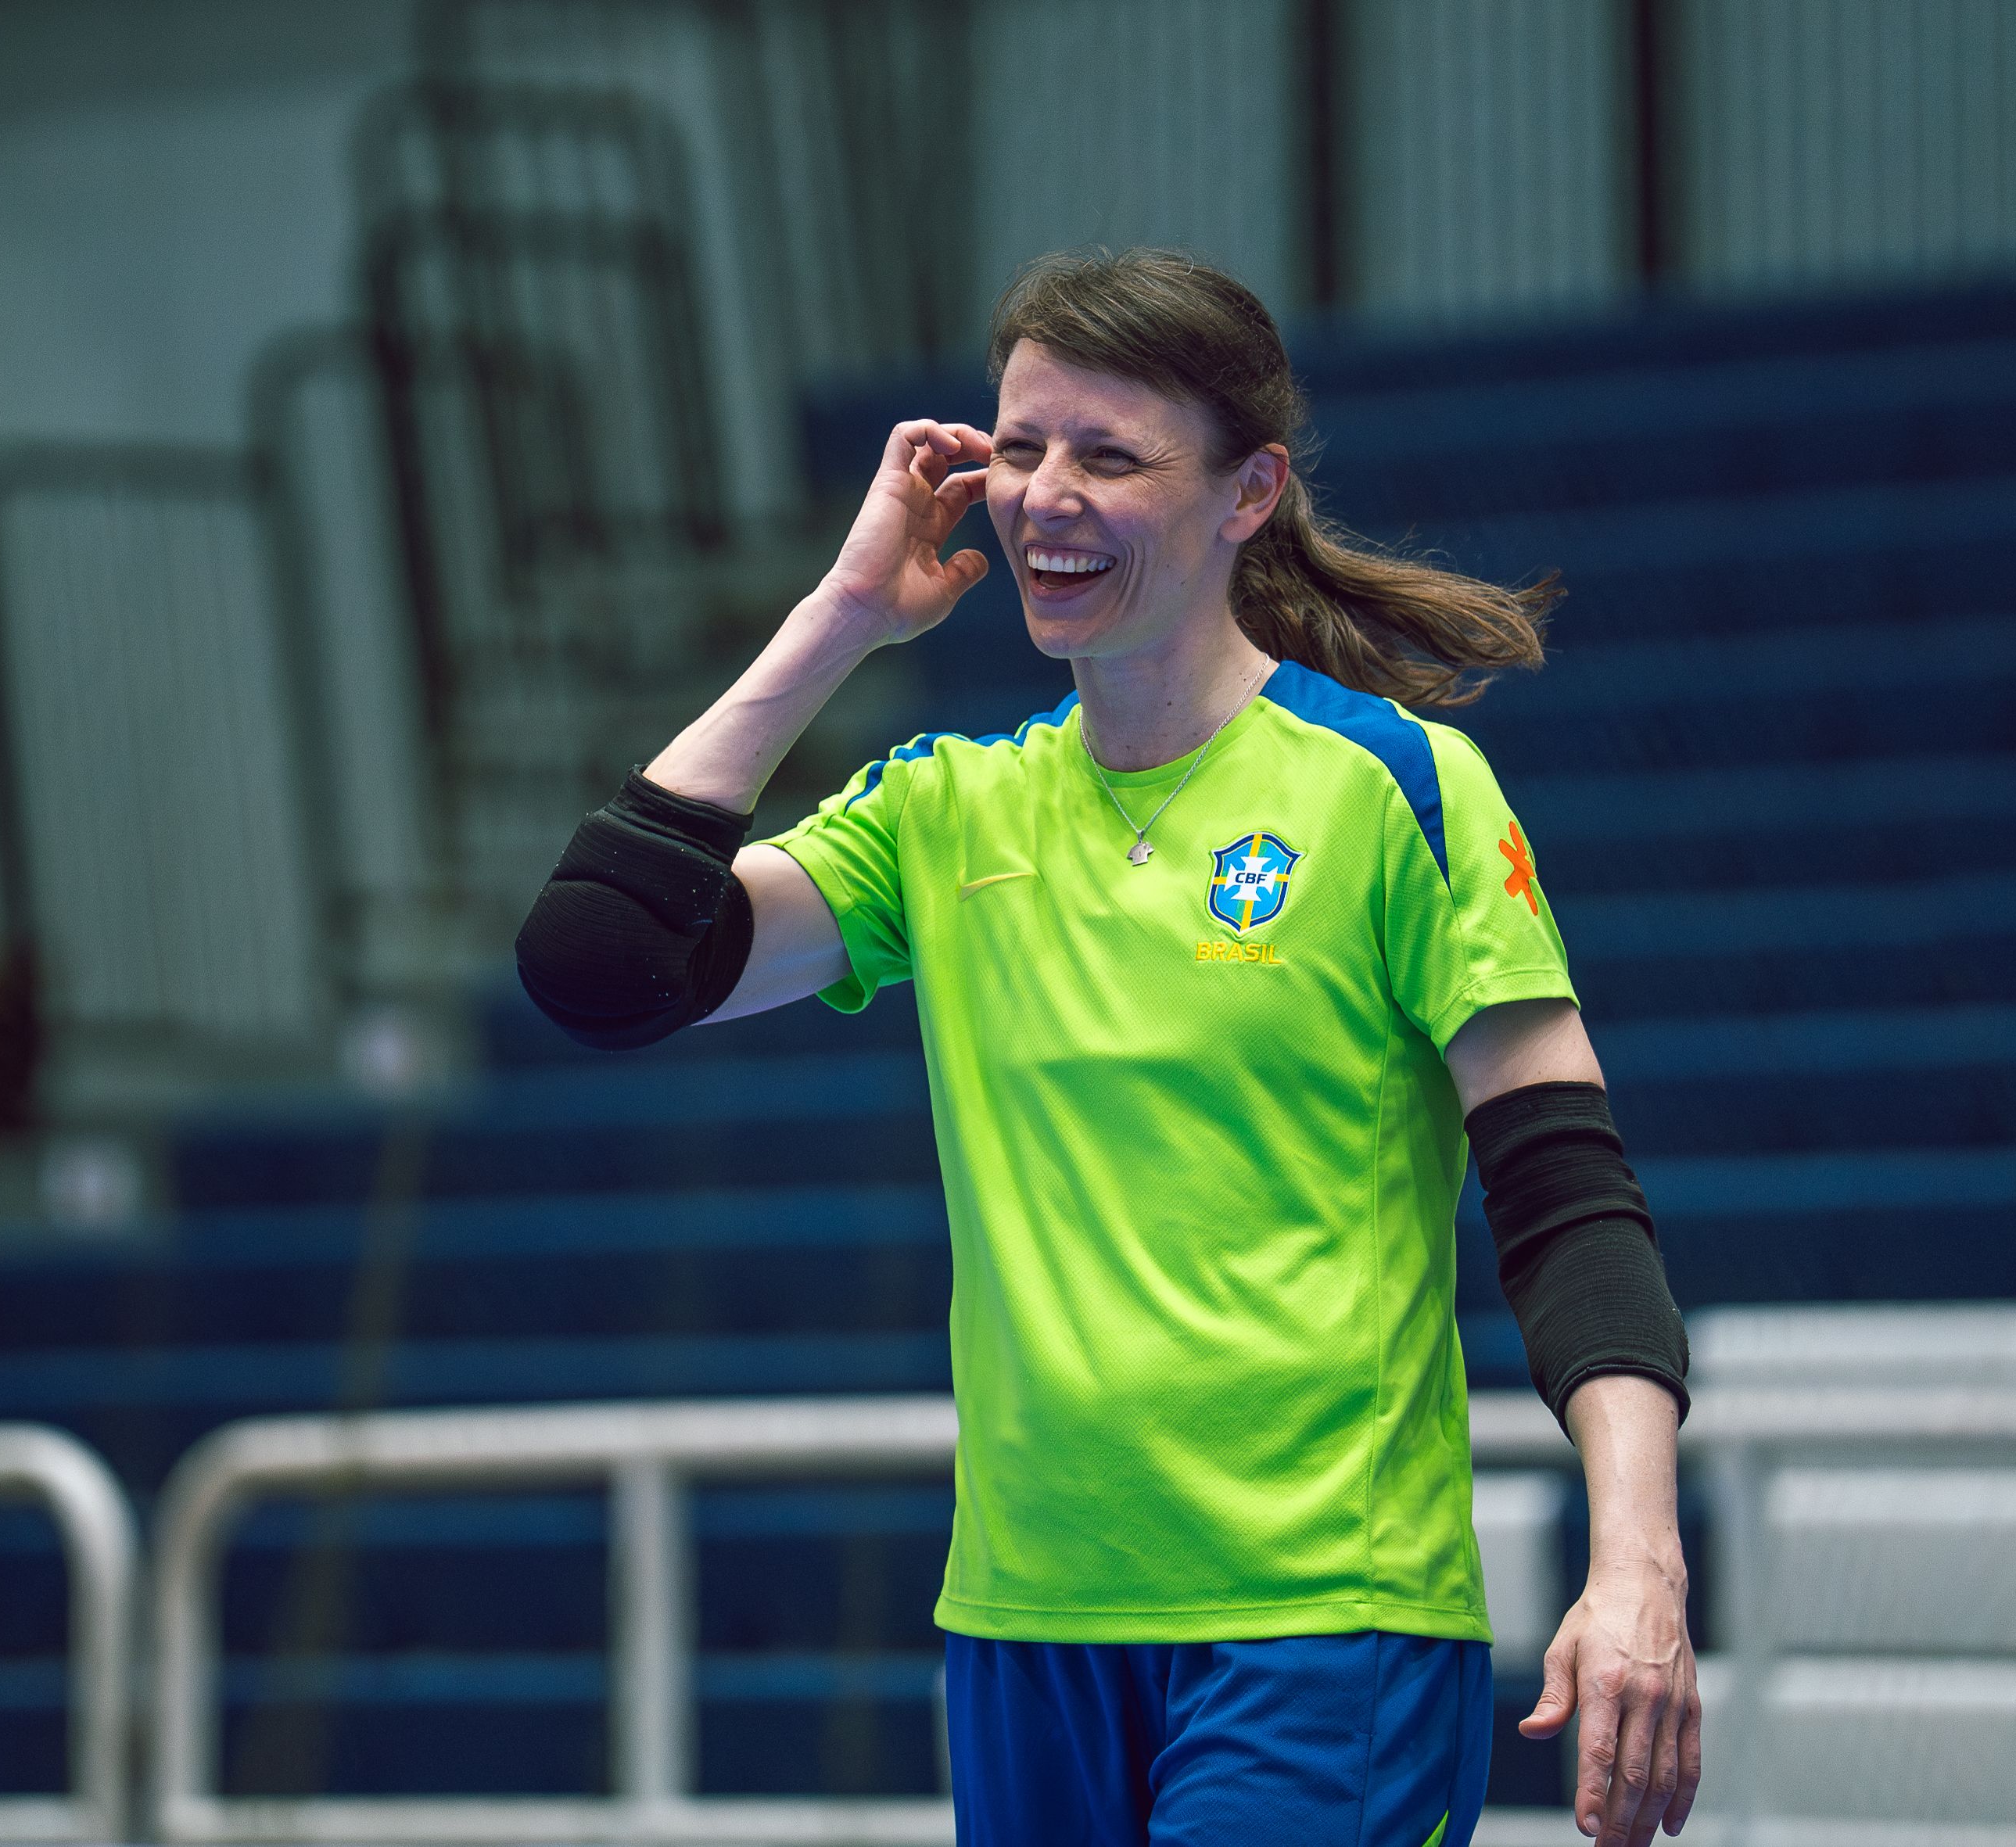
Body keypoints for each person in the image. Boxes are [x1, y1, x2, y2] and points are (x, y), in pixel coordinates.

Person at [516, 249, 1698, 1847]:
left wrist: (1637, 1563)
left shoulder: (1394, 788)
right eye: (1018, 446)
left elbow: (1568, 1205)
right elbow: (597, 967)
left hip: (1320, 1622)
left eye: (1108, 455)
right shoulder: (941, 812)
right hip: (1025, 1625)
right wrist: (839, 617)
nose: (1044, 496)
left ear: (1245, 495)